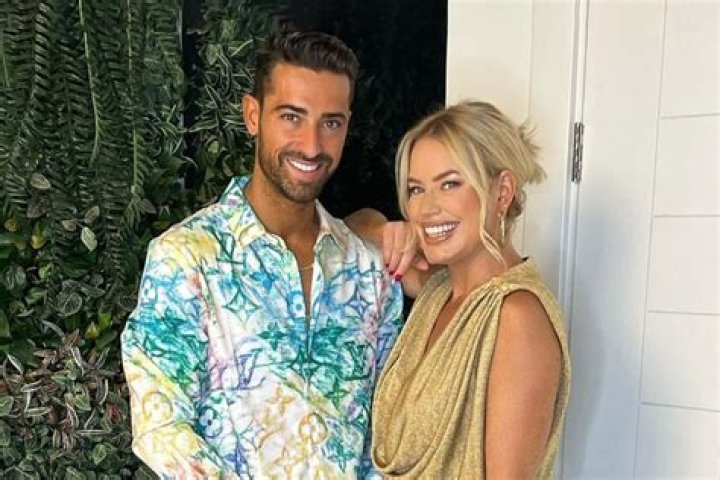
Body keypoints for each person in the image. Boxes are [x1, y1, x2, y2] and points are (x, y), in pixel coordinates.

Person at [121, 30, 403, 478]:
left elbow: (386, 432)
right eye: (292, 117)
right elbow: (162, 428)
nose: (312, 145)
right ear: (253, 115)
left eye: (331, 123)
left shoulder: (369, 271)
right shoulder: (187, 259)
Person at [367, 101, 571, 478]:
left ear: (502, 191)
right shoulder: (437, 291)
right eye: (416, 189)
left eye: (450, 184)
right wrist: (387, 231)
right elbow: (353, 230)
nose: (426, 208)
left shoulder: (516, 317)